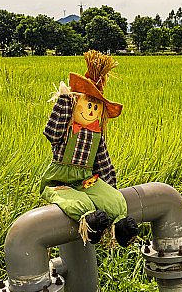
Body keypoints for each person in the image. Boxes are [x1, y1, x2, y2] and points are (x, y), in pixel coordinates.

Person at [40, 50, 138, 246]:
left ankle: (121, 227)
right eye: (88, 105)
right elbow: (51, 132)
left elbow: (103, 163)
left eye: (96, 107)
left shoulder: (96, 135)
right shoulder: (66, 129)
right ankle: (90, 225)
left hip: (87, 180)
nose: (92, 111)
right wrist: (64, 101)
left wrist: (109, 188)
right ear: (76, 103)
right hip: (60, 182)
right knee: (79, 204)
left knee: (115, 200)